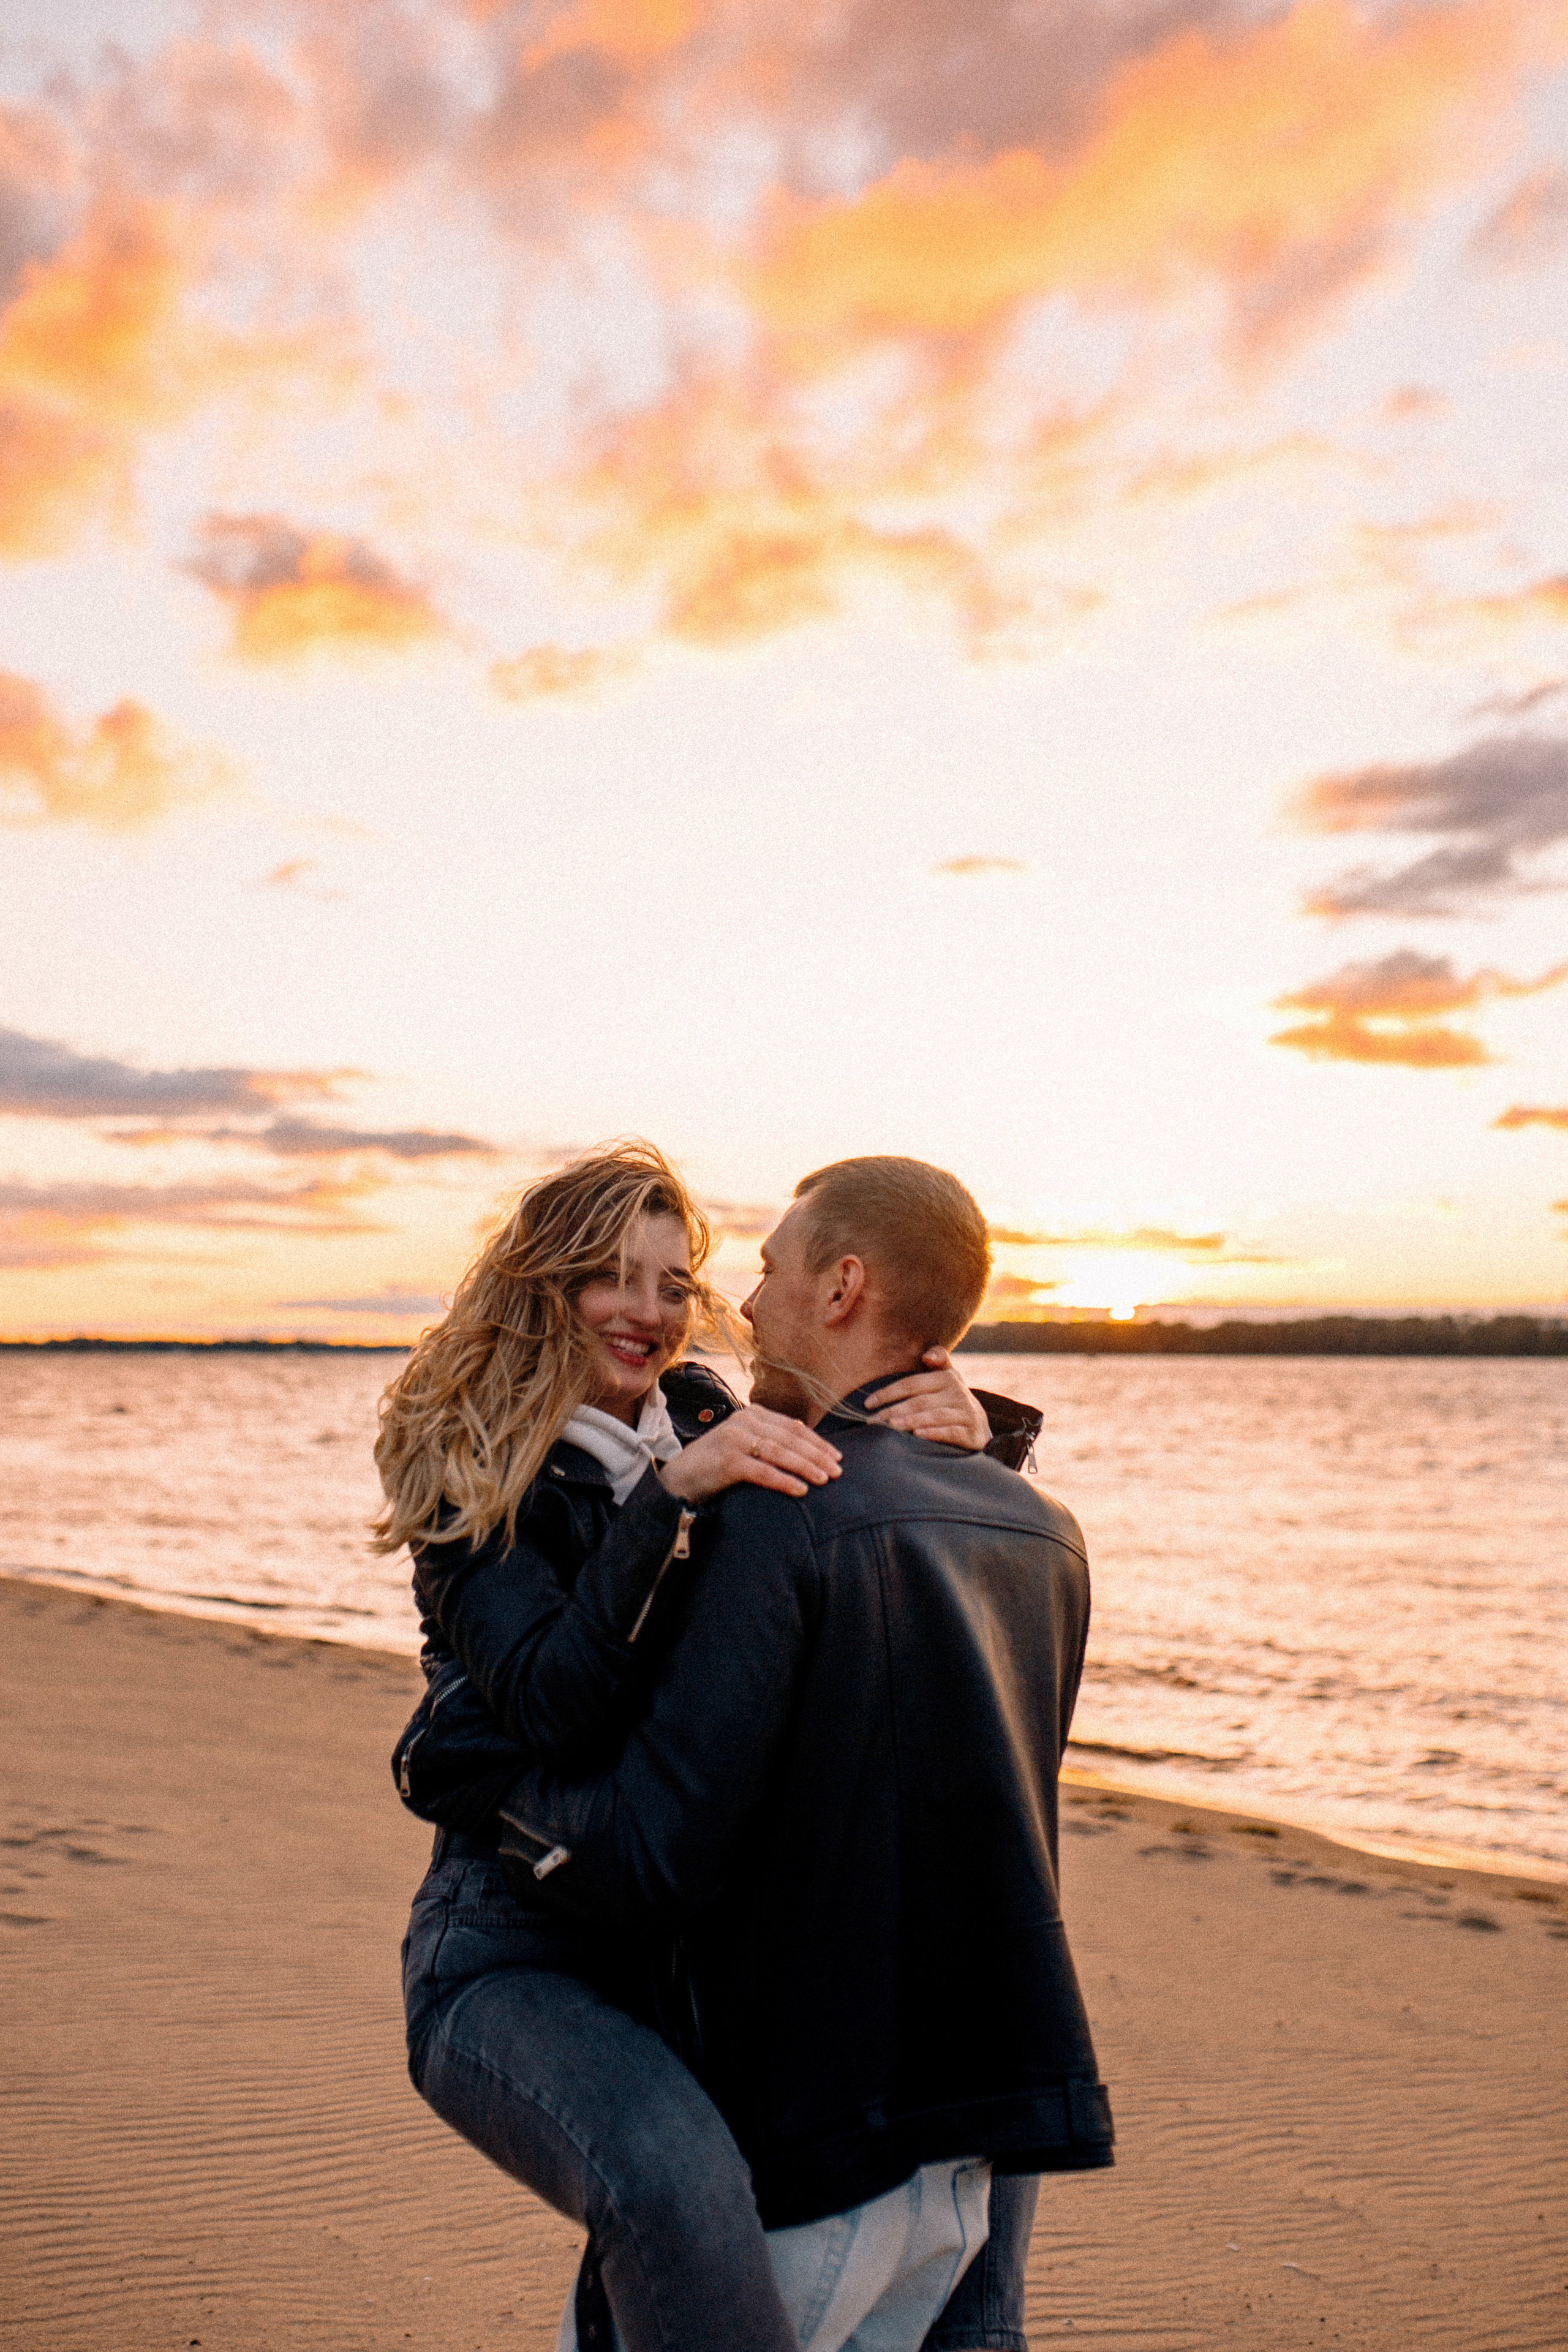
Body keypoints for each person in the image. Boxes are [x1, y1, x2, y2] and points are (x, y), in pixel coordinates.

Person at [380, 1142, 1043, 2352]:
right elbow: (543, 1701)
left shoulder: (702, 1412)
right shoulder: (473, 1471)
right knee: (675, 2190)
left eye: (672, 1281)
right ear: (544, 1284)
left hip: (678, 1934)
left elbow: (853, 1504)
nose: (648, 1311)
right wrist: (666, 1502)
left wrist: (972, 1429)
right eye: (610, 1277)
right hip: (513, 1944)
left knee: (984, 2117)